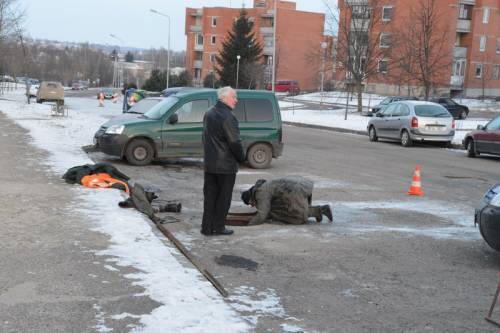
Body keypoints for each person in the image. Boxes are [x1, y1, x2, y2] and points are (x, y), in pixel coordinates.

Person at [201, 86, 245, 236]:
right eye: (234, 97)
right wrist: (241, 157)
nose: (236, 100)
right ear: (225, 98)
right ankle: (219, 227)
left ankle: (206, 227)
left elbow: (205, 138)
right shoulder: (228, 117)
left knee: (210, 197)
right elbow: (234, 142)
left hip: (210, 164)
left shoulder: (209, 113)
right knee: (223, 198)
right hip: (225, 166)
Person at [241, 176, 333, 225]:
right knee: (280, 207)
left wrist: (250, 223)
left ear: (251, 198)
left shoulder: (260, 192)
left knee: (294, 216)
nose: (252, 206)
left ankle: (320, 210)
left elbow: (262, 214)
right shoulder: (263, 186)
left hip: (296, 188)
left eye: (250, 203)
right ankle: (316, 212)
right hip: (302, 183)